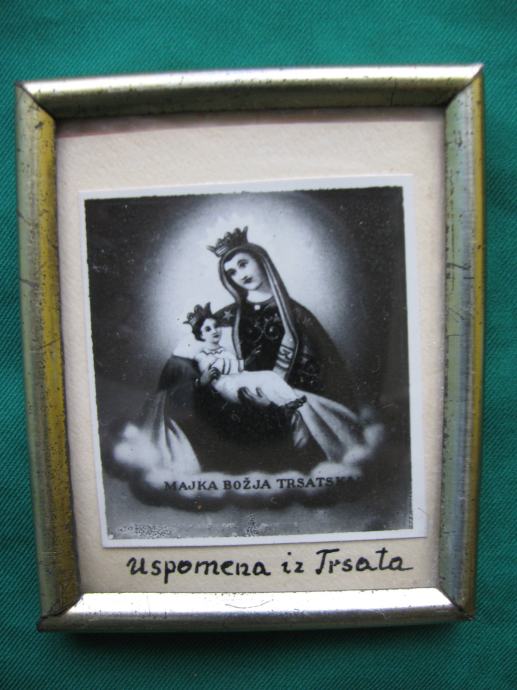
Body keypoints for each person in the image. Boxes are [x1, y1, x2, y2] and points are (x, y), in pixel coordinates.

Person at [113, 227, 381, 484]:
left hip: (285, 394)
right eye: (231, 272)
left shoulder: (297, 315)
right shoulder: (228, 316)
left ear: (261, 261)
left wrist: (275, 390)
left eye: (243, 264)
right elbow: (196, 351)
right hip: (238, 392)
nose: (240, 275)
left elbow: (321, 366)